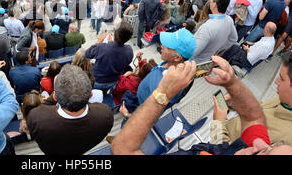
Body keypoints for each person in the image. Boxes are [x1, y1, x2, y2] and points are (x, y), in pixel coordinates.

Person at [111, 57, 292, 155]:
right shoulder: (258, 144)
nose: (261, 142)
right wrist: (233, 84)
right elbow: (254, 118)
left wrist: (162, 93)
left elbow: (122, 149)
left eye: (267, 152)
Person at [26, 65, 114, 155]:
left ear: (55, 97)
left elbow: (40, 110)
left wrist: (51, 99)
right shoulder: (105, 114)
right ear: (91, 94)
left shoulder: (36, 118)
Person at [211, 51, 292, 146]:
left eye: (282, 79)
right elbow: (261, 108)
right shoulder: (284, 99)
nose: (276, 82)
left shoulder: (287, 142)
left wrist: (217, 125)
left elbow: (225, 152)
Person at [136, 28, 196, 108]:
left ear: (177, 58)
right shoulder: (182, 62)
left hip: (140, 106)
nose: (162, 46)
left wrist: (128, 116)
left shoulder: (162, 87)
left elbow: (152, 111)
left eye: (167, 46)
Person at [85, 22, 134, 94]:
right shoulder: (129, 51)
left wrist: (99, 41)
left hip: (98, 81)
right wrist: (112, 43)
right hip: (114, 82)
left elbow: (87, 53)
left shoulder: (101, 47)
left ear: (114, 33)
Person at [193, 0, 237, 64]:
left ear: (215, 5)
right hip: (209, 59)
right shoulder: (229, 19)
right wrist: (219, 49)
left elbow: (193, 52)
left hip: (196, 62)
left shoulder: (207, 27)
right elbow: (233, 39)